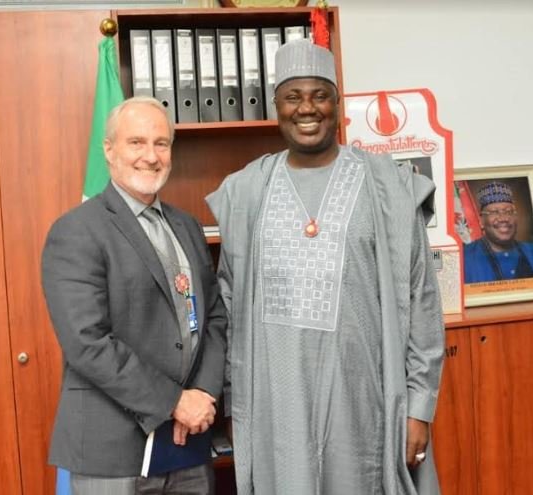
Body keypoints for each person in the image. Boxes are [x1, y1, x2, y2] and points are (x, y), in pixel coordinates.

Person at [206, 39, 445, 494]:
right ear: (275, 106)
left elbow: (422, 301)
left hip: (364, 401)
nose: (306, 108)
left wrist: (419, 406)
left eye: (319, 95)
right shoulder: (245, 192)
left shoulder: (389, 186)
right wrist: (237, 407)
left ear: (338, 104)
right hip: (276, 407)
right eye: (293, 97)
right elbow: (230, 307)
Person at [41, 96, 227, 495]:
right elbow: (87, 342)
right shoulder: (77, 231)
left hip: (187, 442)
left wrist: (204, 395)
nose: (151, 156)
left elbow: (213, 316)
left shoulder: (188, 226)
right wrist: (175, 401)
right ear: (109, 150)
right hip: (113, 450)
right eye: (136, 142)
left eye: (161, 143)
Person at [463, 181, 533, 283]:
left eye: (509, 211)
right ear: (481, 220)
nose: (503, 218)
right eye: (494, 212)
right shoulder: (464, 257)